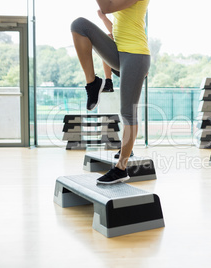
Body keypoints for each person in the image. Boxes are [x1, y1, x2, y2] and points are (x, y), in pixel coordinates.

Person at [71, 0, 151, 184]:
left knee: (127, 113)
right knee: (79, 25)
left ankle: (121, 168)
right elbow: (114, 23)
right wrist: (101, 16)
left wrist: (103, 13)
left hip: (136, 56)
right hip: (118, 53)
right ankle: (93, 83)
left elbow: (107, 7)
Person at [97, 10, 115, 93]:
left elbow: (115, 33)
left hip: (135, 63)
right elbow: (114, 32)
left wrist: (103, 18)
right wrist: (103, 18)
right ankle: (108, 82)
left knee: (110, 37)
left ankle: (108, 82)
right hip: (119, 64)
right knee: (109, 38)